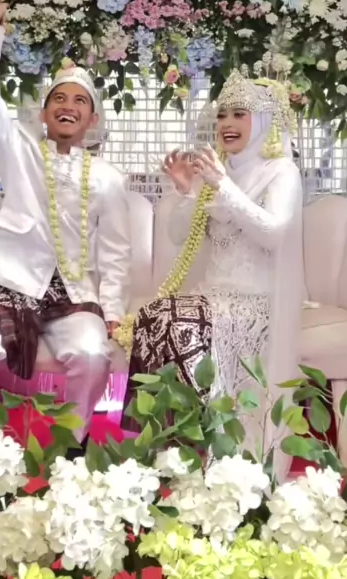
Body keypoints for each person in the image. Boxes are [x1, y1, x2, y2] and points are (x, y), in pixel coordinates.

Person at [0, 0, 131, 451]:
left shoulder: (109, 178)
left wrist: (112, 312)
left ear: (92, 119)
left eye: (80, 101)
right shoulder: (20, 151)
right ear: (45, 114)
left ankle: (72, 444)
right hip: (15, 286)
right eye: (59, 99)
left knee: (92, 355)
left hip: (73, 293)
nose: (68, 107)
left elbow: (115, 252)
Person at [125, 68, 304, 479]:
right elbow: (177, 235)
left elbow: (275, 234)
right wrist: (185, 190)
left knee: (178, 322)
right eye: (222, 115)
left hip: (256, 301)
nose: (227, 123)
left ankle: (206, 437)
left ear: (264, 121)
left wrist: (224, 187)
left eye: (240, 114)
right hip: (213, 296)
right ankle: (161, 445)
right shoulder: (217, 170)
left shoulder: (281, 172)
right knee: (153, 317)